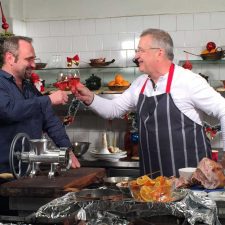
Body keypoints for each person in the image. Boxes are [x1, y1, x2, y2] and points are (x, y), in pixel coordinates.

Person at [73, 28, 225, 178]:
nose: (136, 56)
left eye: (140, 50)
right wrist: (90, 98)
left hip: (190, 184)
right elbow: (113, 109)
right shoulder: (140, 84)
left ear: (159, 52)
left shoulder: (188, 81)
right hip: (152, 184)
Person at [0, 36, 80, 175]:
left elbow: (50, 121)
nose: (33, 65)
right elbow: (9, 111)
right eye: (28, 59)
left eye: (34, 59)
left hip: (29, 169)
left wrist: (67, 150)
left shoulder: (29, 87)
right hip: (5, 173)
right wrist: (48, 100)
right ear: (10, 58)